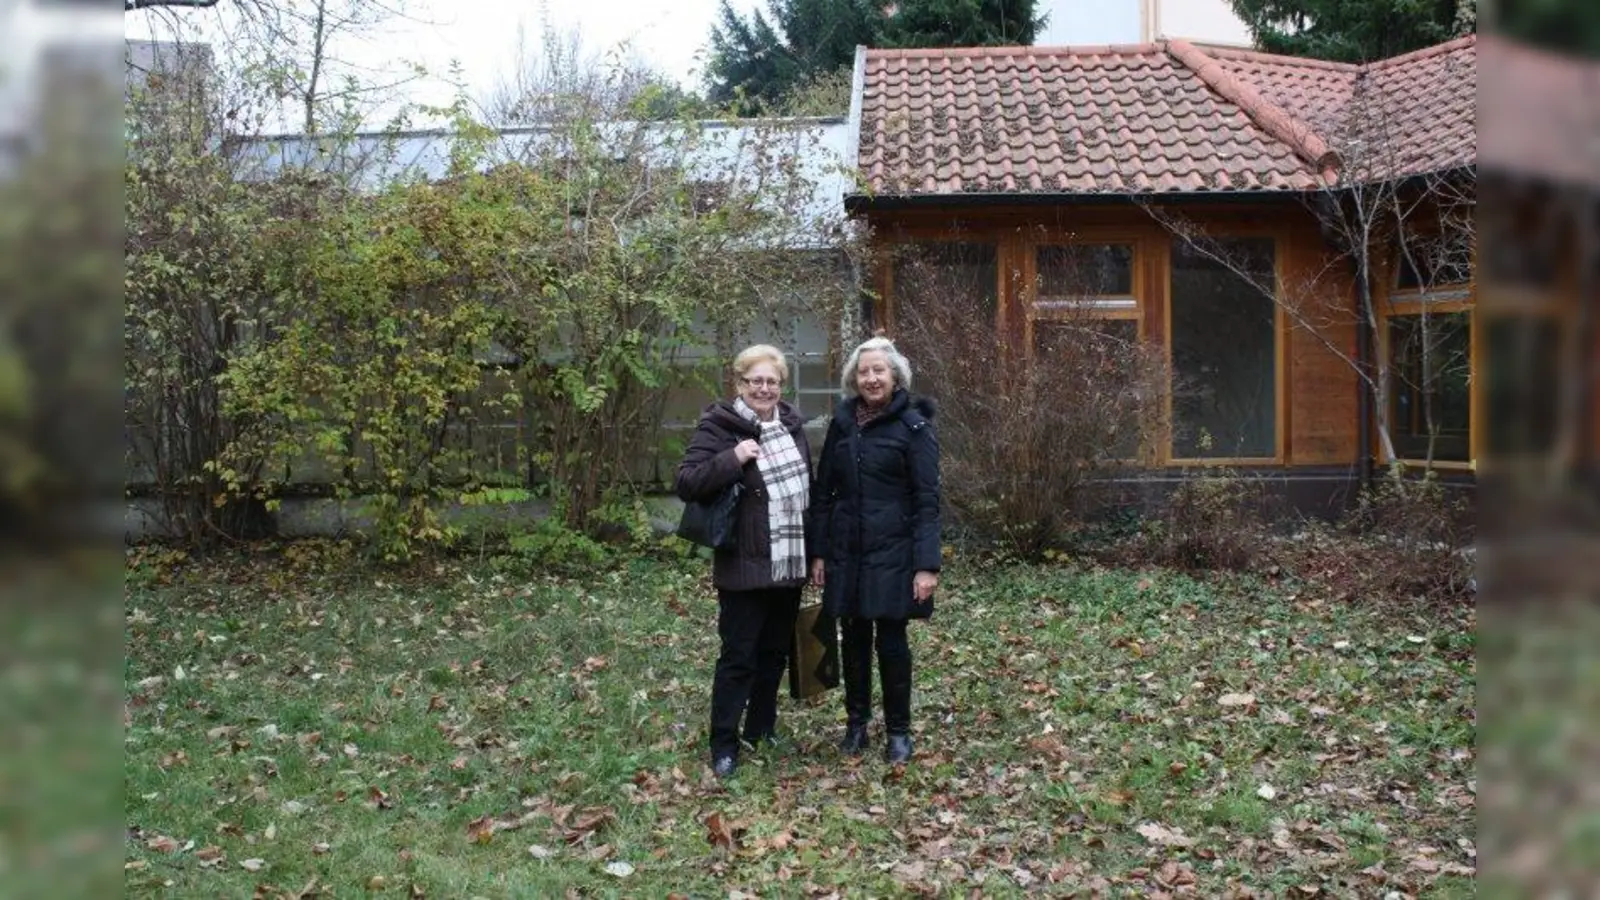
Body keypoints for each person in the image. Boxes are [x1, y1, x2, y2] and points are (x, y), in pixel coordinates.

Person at [674, 345, 813, 779]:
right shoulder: (721, 426)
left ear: (781, 386)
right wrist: (732, 458)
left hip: (789, 563)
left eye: (772, 381)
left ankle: (761, 728)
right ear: (739, 384)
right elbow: (687, 481)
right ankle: (724, 743)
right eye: (756, 381)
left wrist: (819, 554)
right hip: (743, 565)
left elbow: (811, 494)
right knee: (739, 657)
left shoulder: (792, 427)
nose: (764, 389)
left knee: (774, 653)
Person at [808, 337, 940, 764]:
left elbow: (927, 501)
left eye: (879, 370)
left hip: (895, 552)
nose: (871, 378)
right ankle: (856, 725)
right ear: (854, 379)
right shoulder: (843, 425)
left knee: (892, 641)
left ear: (895, 376)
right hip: (848, 550)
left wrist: (926, 565)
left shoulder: (914, 427)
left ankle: (899, 732)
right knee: (854, 640)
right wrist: (820, 552)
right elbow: (824, 493)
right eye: (863, 372)